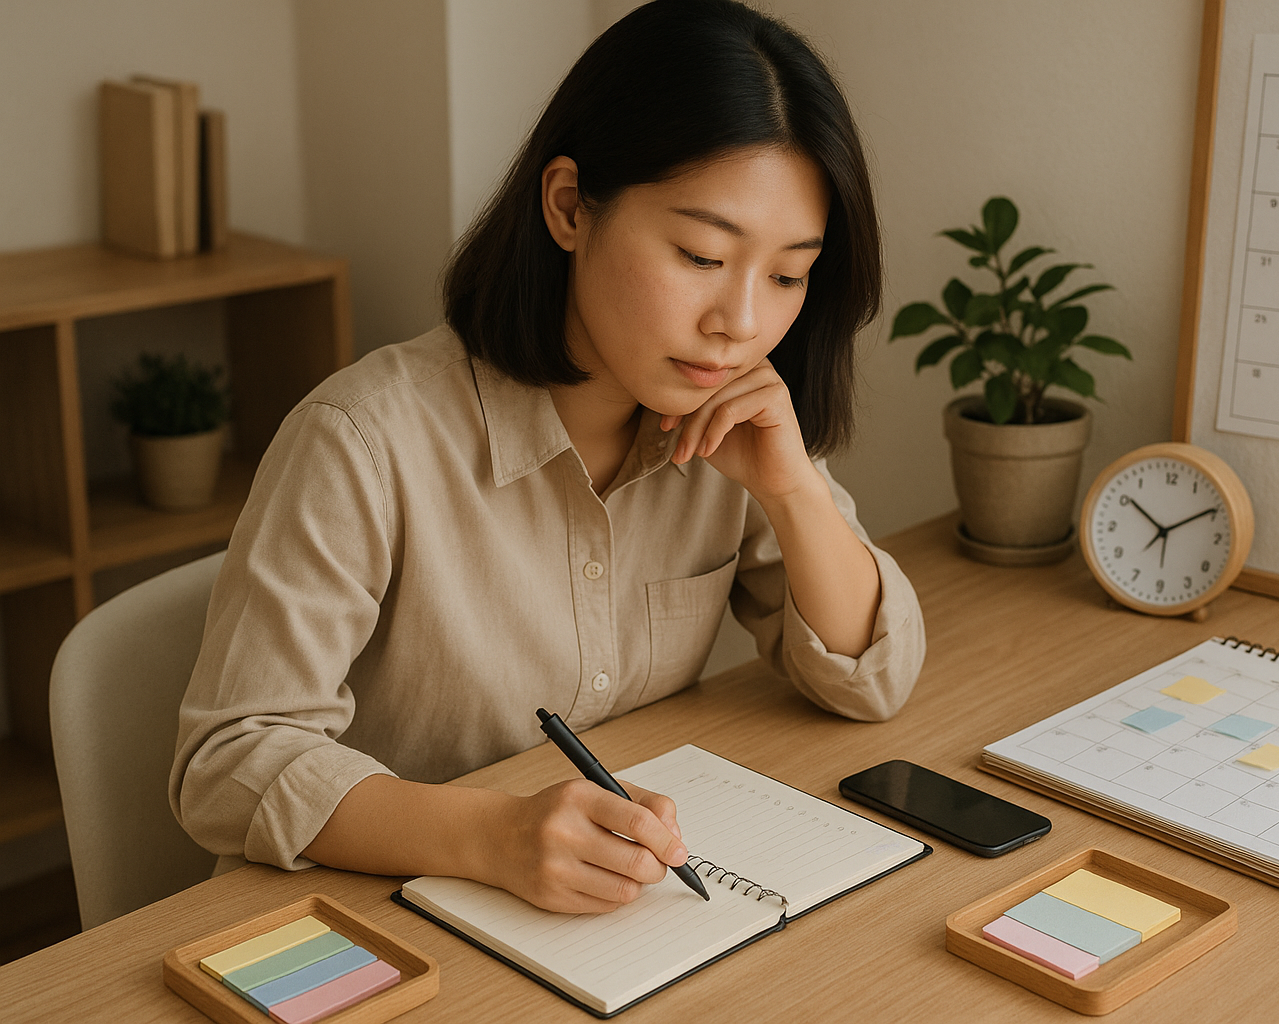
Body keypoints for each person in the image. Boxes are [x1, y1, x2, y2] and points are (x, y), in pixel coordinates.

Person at [171, 0, 925, 915]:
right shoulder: (363, 442)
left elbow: (871, 679)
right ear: (570, 207)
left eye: (787, 274)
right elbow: (229, 761)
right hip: (374, 921)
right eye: (699, 254)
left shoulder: (724, 421)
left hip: (604, 925)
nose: (742, 322)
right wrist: (491, 835)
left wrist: (794, 490)